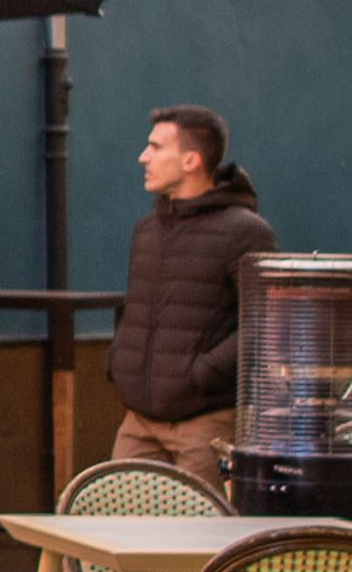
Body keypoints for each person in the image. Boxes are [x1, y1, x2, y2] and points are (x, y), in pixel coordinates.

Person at [107, 104, 275, 477]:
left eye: (156, 147)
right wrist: (119, 361)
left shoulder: (246, 232)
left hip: (204, 424)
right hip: (138, 421)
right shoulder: (147, 230)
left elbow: (265, 323)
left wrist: (201, 374)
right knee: (120, 530)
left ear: (191, 161)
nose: (143, 157)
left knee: (198, 534)